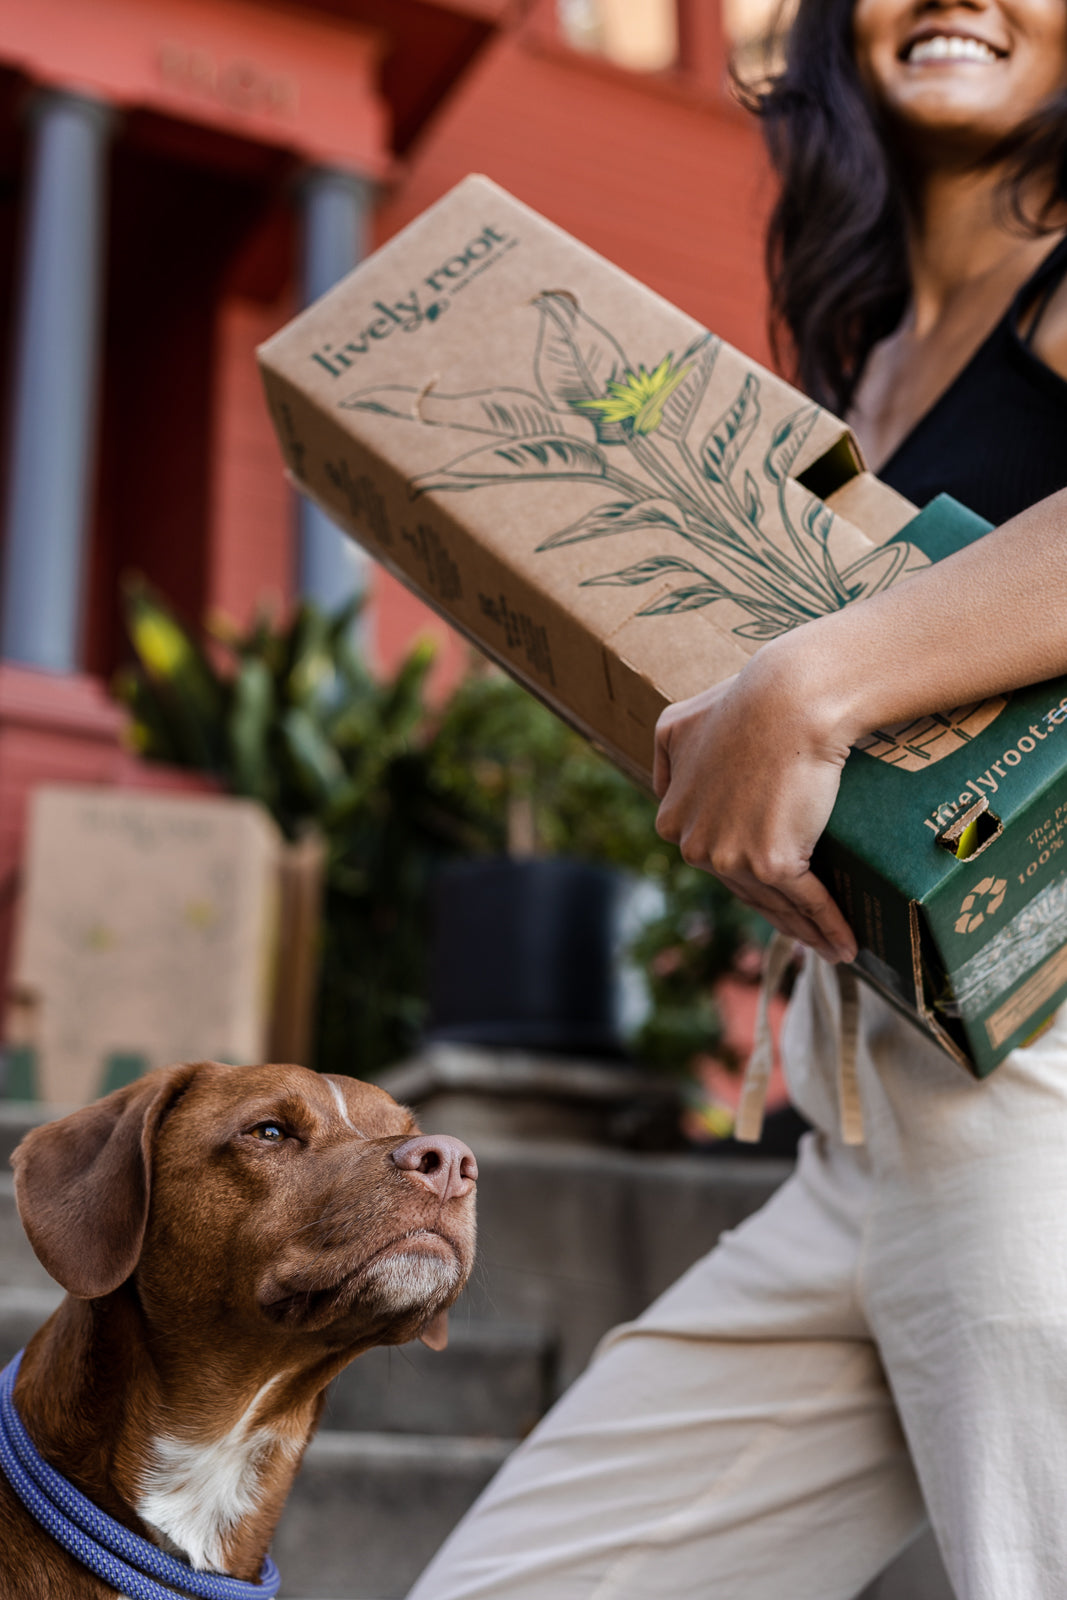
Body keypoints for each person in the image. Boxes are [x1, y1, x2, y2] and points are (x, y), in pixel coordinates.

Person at [406, 3, 1067, 1596]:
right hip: (861, 1111)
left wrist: (811, 681)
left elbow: (828, 682)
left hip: (1041, 1056)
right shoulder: (868, 365)